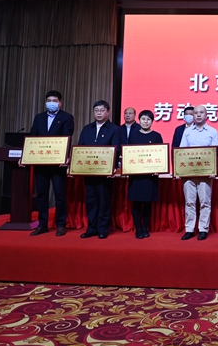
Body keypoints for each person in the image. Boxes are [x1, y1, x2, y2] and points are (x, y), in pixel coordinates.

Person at [29, 90, 75, 237]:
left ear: (60, 103)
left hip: (57, 163)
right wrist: (26, 156)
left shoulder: (66, 117)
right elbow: (32, 137)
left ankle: (61, 225)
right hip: (41, 162)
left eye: (54, 101)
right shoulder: (39, 118)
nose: (51, 103)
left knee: (59, 195)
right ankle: (42, 225)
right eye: (49, 100)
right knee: (41, 194)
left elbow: (67, 137)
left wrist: (65, 157)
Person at [77, 100, 119, 239]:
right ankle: (91, 228)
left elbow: (116, 150)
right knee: (91, 201)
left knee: (104, 201)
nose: (99, 113)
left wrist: (112, 168)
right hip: (89, 171)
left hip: (105, 173)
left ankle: (103, 229)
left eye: (102, 110)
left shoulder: (114, 129)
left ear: (108, 112)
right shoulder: (87, 128)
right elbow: (80, 148)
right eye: (96, 110)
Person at [180, 105, 218, 240]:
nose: (198, 115)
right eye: (196, 113)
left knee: (205, 202)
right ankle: (189, 229)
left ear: (206, 115)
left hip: (205, 173)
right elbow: (181, 151)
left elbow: (216, 152)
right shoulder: (187, 132)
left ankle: (203, 229)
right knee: (189, 202)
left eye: (201, 112)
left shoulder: (213, 131)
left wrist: (214, 169)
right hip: (189, 173)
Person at [126, 109, 163, 239]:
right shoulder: (133, 135)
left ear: (152, 122)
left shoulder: (157, 136)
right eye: (143, 119)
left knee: (147, 203)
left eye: (148, 119)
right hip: (136, 176)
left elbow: (161, 155)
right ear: (139, 120)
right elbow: (128, 153)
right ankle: (138, 229)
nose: (145, 122)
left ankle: (145, 228)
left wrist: (160, 167)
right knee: (136, 203)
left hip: (150, 177)